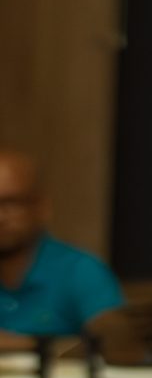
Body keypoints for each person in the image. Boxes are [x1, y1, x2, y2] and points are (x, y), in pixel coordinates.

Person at [0, 148, 123, 347]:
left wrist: (27, 345)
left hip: (59, 368)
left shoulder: (81, 270)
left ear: (41, 207)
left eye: (12, 203)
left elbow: (117, 346)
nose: (1, 217)